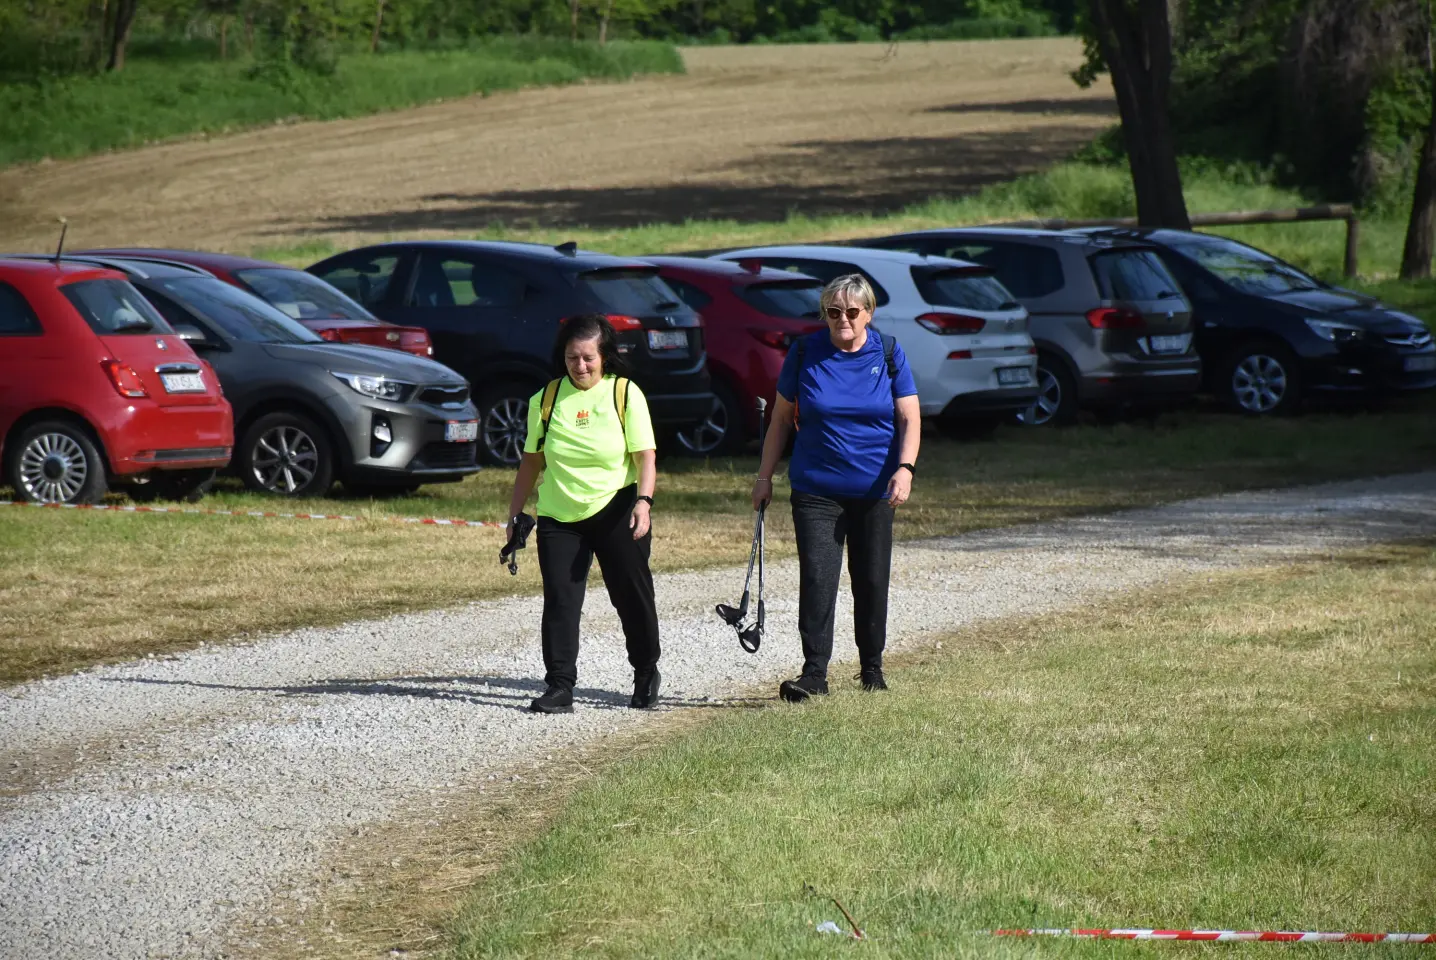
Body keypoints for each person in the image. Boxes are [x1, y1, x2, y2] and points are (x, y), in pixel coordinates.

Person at [752, 274, 920, 702]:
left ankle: (872, 669)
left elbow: (909, 419)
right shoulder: (806, 351)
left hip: (874, 490)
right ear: (824, 312)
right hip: (816, 490)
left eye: (852, 311)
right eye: (833, 311)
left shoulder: (889, 352)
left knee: (870, 579)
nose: (842, 319)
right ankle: (814, 675)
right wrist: (764, 477)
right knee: (818, 580)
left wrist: (905, 468)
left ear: (869, 314)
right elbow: (779, 420)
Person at [503, 314, 661, 714]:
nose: (581, 366)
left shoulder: (624, 394)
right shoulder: (547, 398)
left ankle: (645, 671)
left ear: (604, 356)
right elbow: (531, 461)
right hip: (559, 515)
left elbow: (646, 457)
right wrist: (515, 513)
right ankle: (559, 686)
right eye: (573, 357)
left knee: (630, 596)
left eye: (589, 357)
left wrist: (644, 502)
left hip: (616, 508)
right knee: (560, 600)